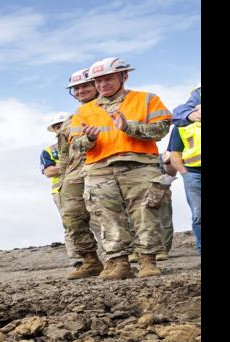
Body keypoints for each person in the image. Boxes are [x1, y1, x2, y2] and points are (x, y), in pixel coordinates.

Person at [69, 56, 174, 279]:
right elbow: (76, 145)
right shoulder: (84, 111)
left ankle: (148, 261)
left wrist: (129, 127)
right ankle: (119, 263)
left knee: (145, 212)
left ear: (124, 76)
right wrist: (88, 140)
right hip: (99, 168)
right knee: (106, 216)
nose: (102, 85)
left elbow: (162, 129)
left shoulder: (147, 99)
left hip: (139, 164)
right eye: (98, 81)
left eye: (108, 79)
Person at [55, 68, 104, 279]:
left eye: (85, 85)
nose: (81, 90)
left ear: (96, 85)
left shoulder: (109, 111)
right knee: (72, 218)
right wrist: (62, 181)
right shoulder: (69, 121)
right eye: (76, 88)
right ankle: (90, 260)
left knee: (109, 218)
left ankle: (120, 260)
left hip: (102, 168)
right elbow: (64, 155)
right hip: (75, 175)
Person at [164, 85, 201, 257]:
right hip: (194, 174)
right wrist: (185, 174)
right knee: (199, 214)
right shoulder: (183, 124)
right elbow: (175, 153)